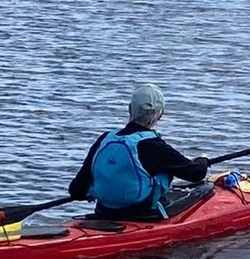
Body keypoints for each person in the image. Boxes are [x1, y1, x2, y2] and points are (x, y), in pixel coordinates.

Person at [68, 84, 211, 219]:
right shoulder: (154, 146)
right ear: (161, 113)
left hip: (104, 212)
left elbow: (76, 191)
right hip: (143, 215)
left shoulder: (105, 139)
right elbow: (196, 173)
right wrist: (202, 159)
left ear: (130, 109)